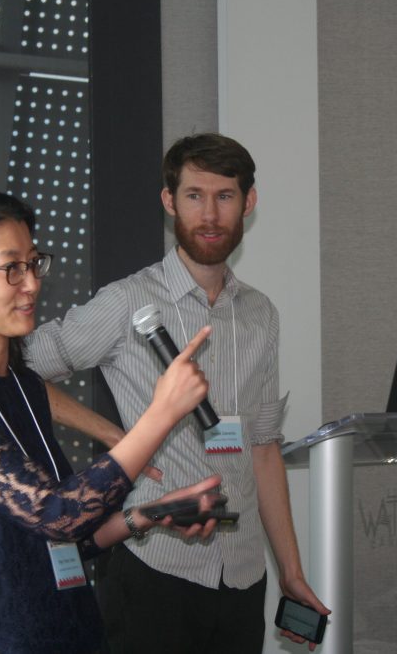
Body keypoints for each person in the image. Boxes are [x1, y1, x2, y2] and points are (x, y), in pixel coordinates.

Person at [28, 133, 331, 653]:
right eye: (194, 196)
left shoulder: (261, 315)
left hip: (240, 576)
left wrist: (291, 571)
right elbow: (20, 370)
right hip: (153, 568)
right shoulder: (126, 302)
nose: (210, 214)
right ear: (170, 202)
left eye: (225, 196)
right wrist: (107, 431)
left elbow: (262, 450)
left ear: (248, 202)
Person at [0, 187, 223, 654]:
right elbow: (56, 517)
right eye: (11, 268)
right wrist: (162, 413)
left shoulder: (22, 389)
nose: (30, 284)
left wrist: (149, 515)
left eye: (32, 263)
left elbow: (67, 541)